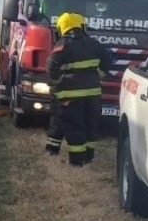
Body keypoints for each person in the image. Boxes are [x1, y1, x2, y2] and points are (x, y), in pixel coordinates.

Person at [46, 12, 111, 166]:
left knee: (75, 126)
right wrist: (97, 77)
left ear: (62, 27)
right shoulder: (95, 43)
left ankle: (77, 161)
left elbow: (51, 67)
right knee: (90, 124)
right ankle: (89, 156)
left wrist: (56, 82)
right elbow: (107, 62)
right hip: (93, 94)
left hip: (70, 96)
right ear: (82, 26)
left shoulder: (63, 45)